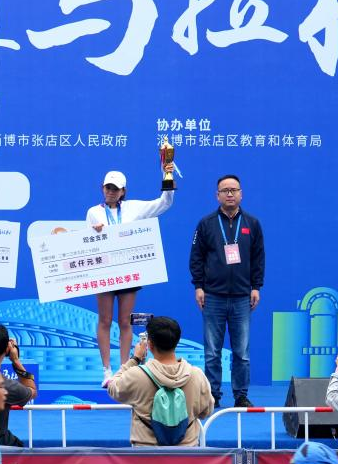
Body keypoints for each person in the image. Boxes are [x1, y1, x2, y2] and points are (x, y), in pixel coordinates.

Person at [86, 162, 176, 384]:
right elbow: (87, 244)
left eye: (115, 188)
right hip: (104, 272)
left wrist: (167, 175)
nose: (111, 191)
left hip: (128, 272)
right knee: (105, 320)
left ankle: (124, 370)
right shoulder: (93, 212)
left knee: (125, 321)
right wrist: (94, 233)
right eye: (108, 187)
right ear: (102, 188)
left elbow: (165, 203)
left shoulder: (135, 208)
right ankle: (107, 371)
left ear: (123, 191)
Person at [189, 174, 265, 408]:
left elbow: (258, 257)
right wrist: (198, 286)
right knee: (212, 352)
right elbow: (196, 257)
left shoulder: (252, 223)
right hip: (213, 296)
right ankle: (213, 395)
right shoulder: (206, 223)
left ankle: (241, 395)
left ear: (241, 194)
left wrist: (256, 287)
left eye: (234, 190)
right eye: (225, 190)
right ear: (217, 195)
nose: (230, 194)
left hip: (242, 297)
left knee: (241, 352)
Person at [105, 316, 214, 446]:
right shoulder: (196, 375)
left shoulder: (137, 375)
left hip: (146, 453)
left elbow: (113, 388)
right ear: (177, 342)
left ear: (149, 345)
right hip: (186, 452)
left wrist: (135, 359)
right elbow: (206, 411)